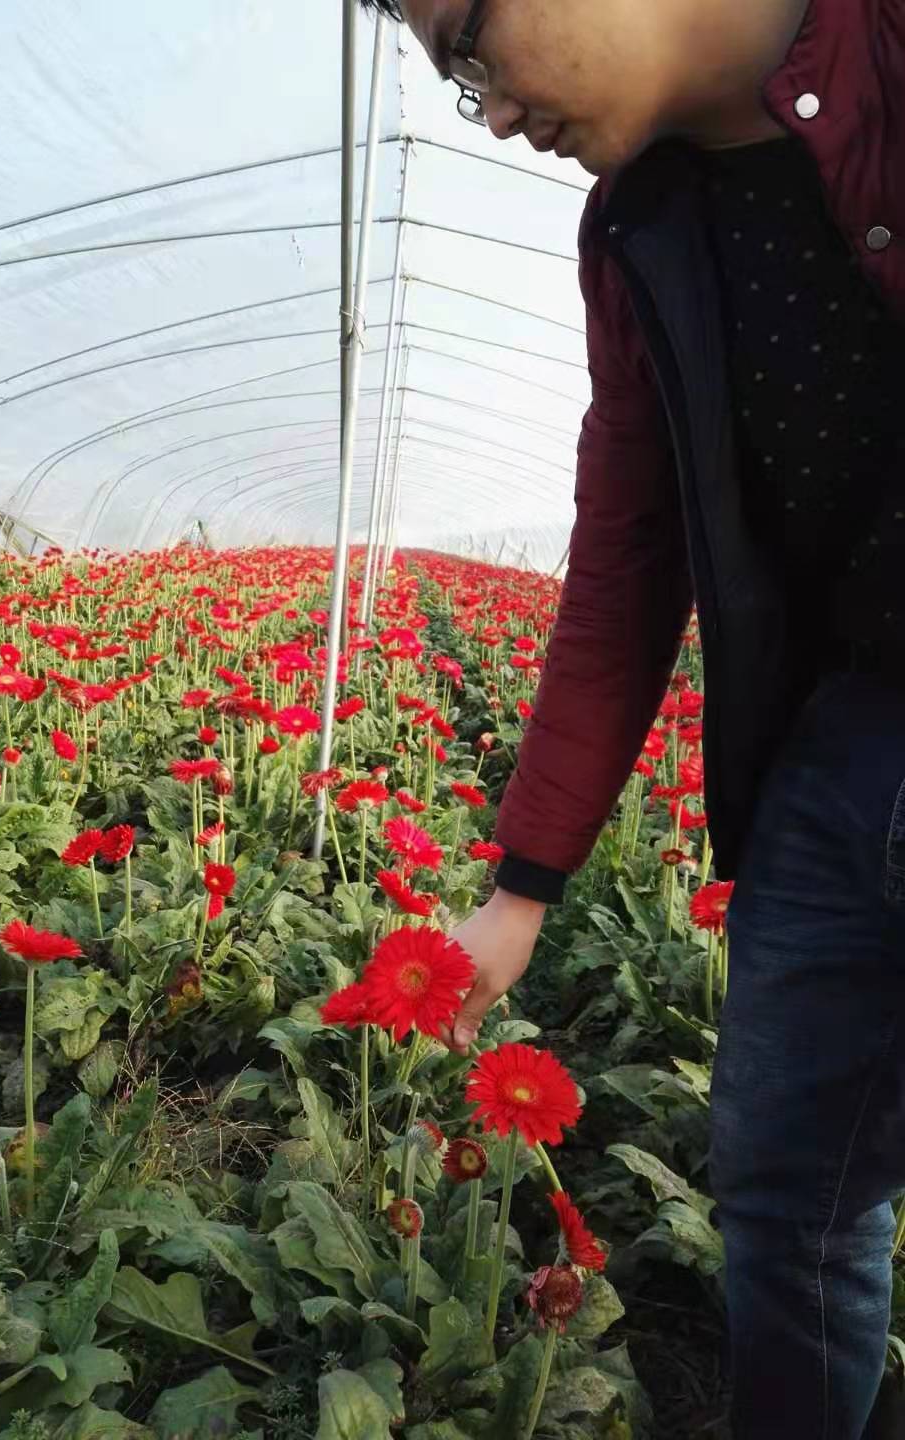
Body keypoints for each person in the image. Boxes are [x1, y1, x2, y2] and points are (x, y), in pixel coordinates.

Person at [359, 2, 905, 1436]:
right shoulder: (639, 231)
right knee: (788, 1199)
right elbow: (626, 557)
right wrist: (521, 890)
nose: (483, 107)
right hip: (839, 752)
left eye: (468, 43)